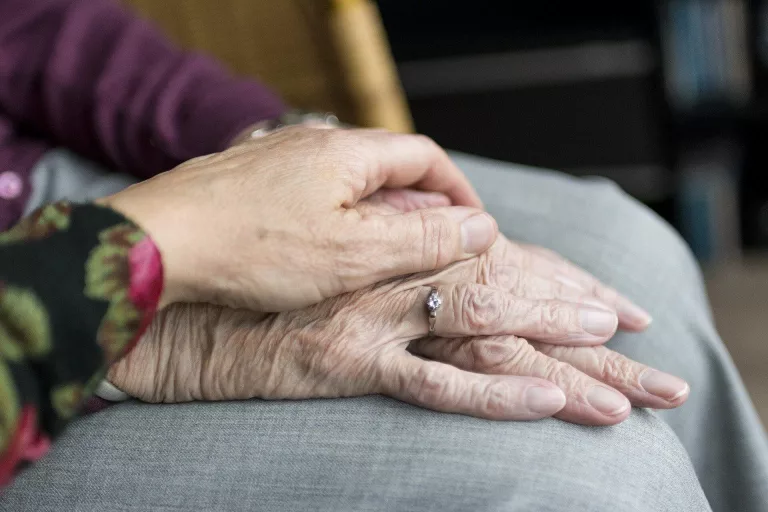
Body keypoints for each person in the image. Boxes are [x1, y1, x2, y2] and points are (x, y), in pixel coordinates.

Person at [0, 1, 765, 511]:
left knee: (622, 251)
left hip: (56, 175)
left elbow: (31, 24)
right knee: (589, 474)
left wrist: (270, 150)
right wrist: (157, 320)